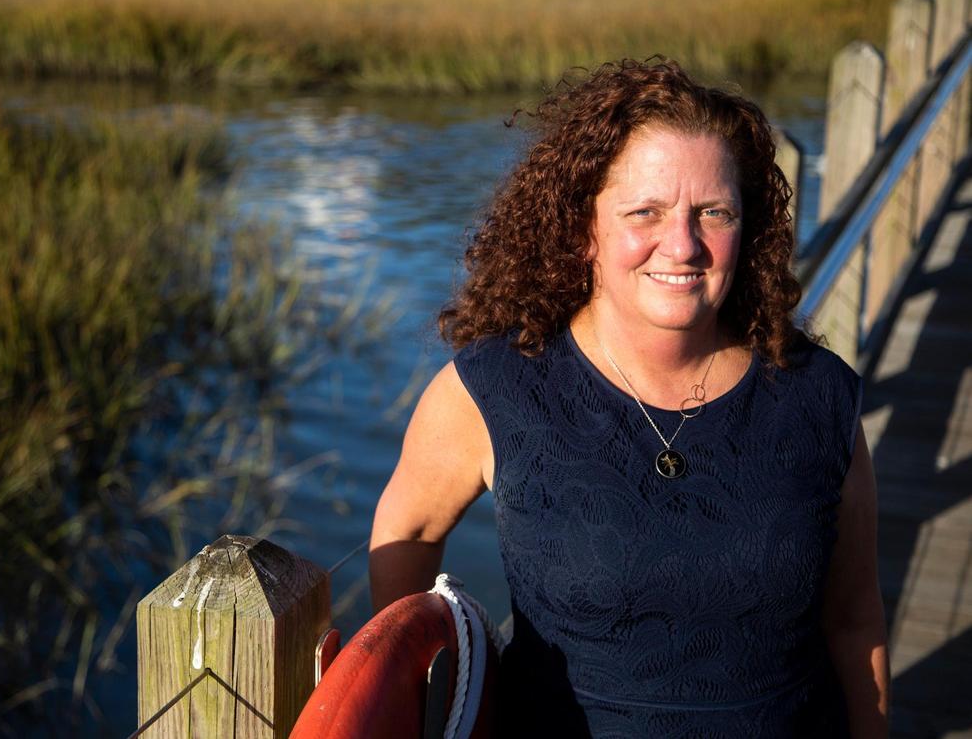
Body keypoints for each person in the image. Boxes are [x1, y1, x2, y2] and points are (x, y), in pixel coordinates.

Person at [368, 59, 889, 737]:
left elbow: (855, 622)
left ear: (747, 227)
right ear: (584, 228)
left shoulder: (819, 396)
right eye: (645, 211)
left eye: (714, 212)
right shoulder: (495, 389)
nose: (683, 244)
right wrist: (410, 701)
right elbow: (408, 530)